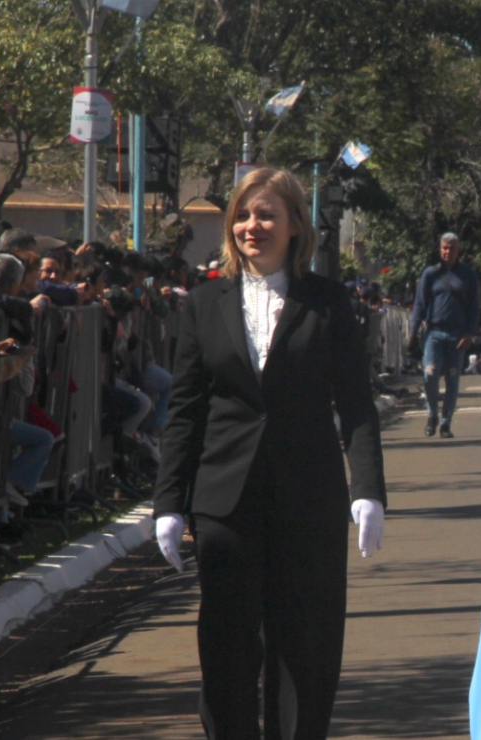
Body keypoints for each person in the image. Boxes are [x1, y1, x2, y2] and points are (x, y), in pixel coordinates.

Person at [152, 167, 388, 740]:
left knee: (305, 647)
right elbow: (185, 408)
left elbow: (355, 404)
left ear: (294, 226)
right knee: (228, 647)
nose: (251, 226)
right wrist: (169, 501)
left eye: (266, 215)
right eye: (243, 214)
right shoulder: (204, 303)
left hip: (308, 499)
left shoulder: (328, 303)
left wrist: (369, 491)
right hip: (224, 500)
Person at [410, 232, 480, 438]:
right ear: (440, 249)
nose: (448, 252)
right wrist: (413, 333)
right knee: (429, 374)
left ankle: (445, 422)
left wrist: (469, 333)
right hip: (434, 332)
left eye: (452, 248)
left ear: (458, 251)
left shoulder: (468, 275)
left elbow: (475, 307)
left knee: (452, 378)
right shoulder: (430, 274)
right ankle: (431, 413)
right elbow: (419, 304)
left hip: (458, 335)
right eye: (444, 248)